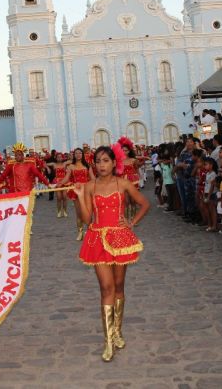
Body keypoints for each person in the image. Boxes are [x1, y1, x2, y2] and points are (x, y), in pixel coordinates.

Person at [72, 145, 150, 362]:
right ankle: (108, 341)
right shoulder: (89, 186)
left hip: (120, 238)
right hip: (97, 239)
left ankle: (117, 331)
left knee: (118, 286)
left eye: (106, 160)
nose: (101, 165)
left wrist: (131, 222)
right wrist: (79, 196)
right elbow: (88, 220)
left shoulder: (123, 183)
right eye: (98, 161)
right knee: (106, 287)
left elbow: (144, 204)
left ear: (114, 162)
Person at [60, 148, 95, 240]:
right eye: (76, 153)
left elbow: (93, 178)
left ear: (82, 154)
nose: (78, 154)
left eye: (80, 153)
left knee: (88, 212)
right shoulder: (71, 166)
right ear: (74, 155)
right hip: (76, 192)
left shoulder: (87, 166)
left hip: (87, 192)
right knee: (79, 213)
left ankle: (89, 231)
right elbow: (66, 178)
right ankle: (80, 232)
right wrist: (59, 184)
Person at [50, 152, 69, 218]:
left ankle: (65, 211)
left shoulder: (65, 163)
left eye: (60, 157)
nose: (59, 158)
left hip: (64, 181)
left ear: (62, 157)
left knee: (65, 197)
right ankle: (59, 211)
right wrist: (47, 168)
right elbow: (44, 163)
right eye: (58, 157)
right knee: (58, 198)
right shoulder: (54, 164)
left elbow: (72, 160)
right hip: (57, 181)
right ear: (56, 158)